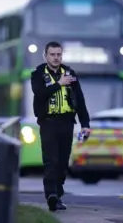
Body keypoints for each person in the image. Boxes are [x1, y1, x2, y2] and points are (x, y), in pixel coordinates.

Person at [31, 41, 91, 211]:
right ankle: (50, 195)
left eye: (59, 55)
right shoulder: (38, 74)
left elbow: (80, 101)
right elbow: (40, 93)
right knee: (51, 160)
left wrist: (85, 124)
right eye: (52, 54)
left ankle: (57, 193)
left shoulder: (70, 74)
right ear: (46, 56)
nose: (56, 58)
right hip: (48, 122)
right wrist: (59, 84)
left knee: (63, 162)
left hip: (67, 123)